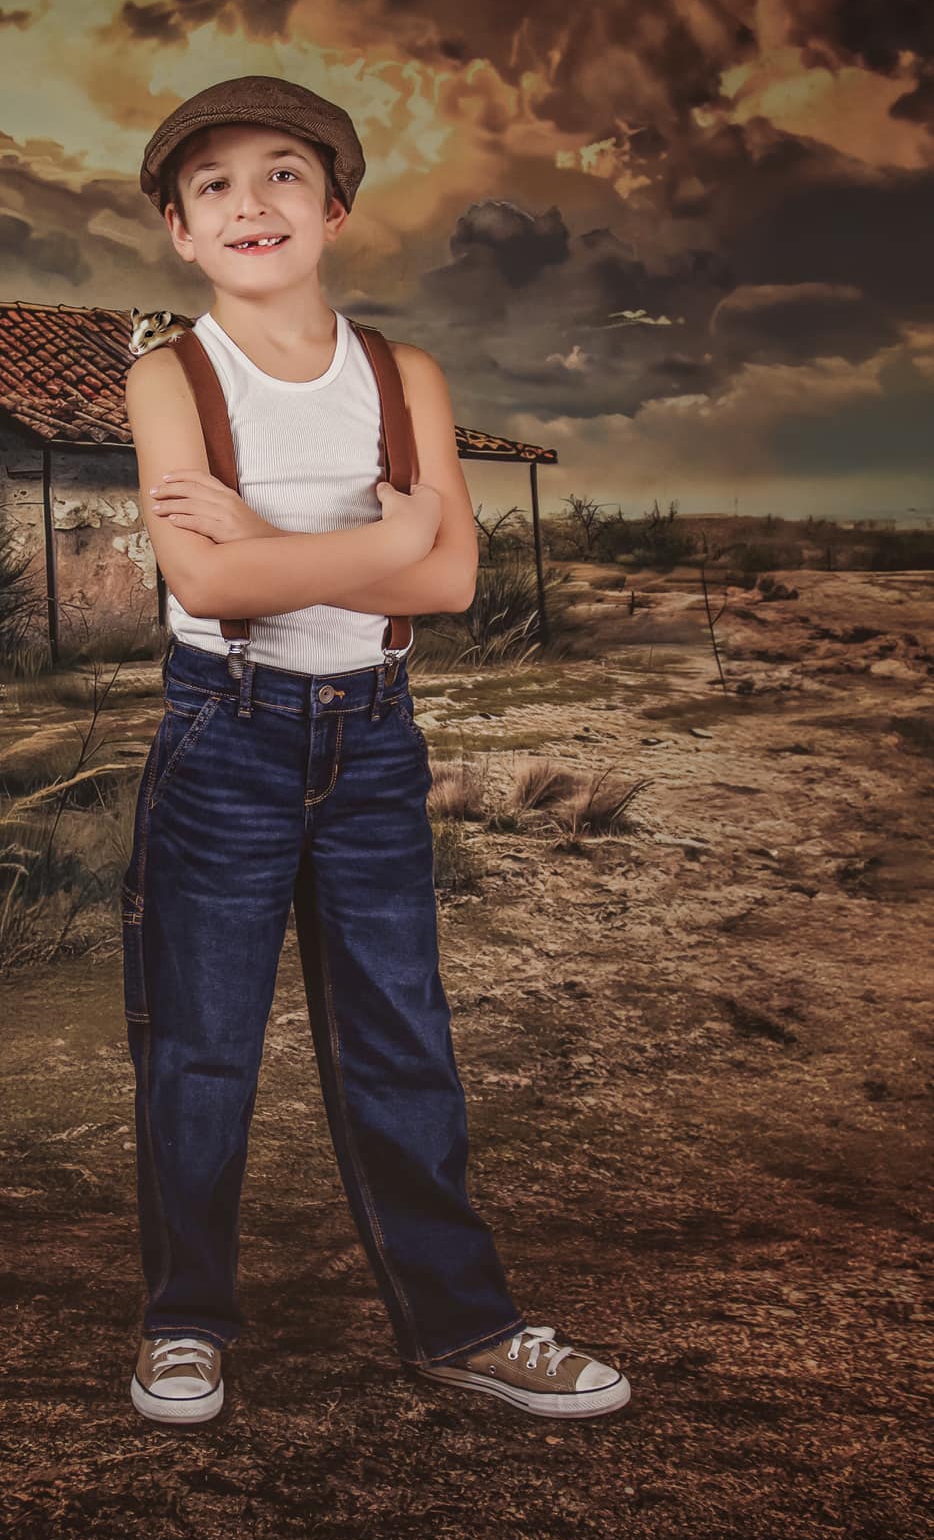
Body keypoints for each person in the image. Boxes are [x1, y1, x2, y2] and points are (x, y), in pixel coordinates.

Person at [121, 74, 630, 1428]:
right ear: (180, 230)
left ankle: (463, 1324)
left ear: (334, 207)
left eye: (282, 173)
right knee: (200, 1045)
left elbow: (454, 587)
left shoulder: (402, 376)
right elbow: (207, 586)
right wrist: (389, 541)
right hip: (223, 735)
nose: (250, 202)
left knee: (401, 1040)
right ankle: (184, 1323)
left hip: (375, 738)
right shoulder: (167, 379)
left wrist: (270, 539)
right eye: (214, 184)